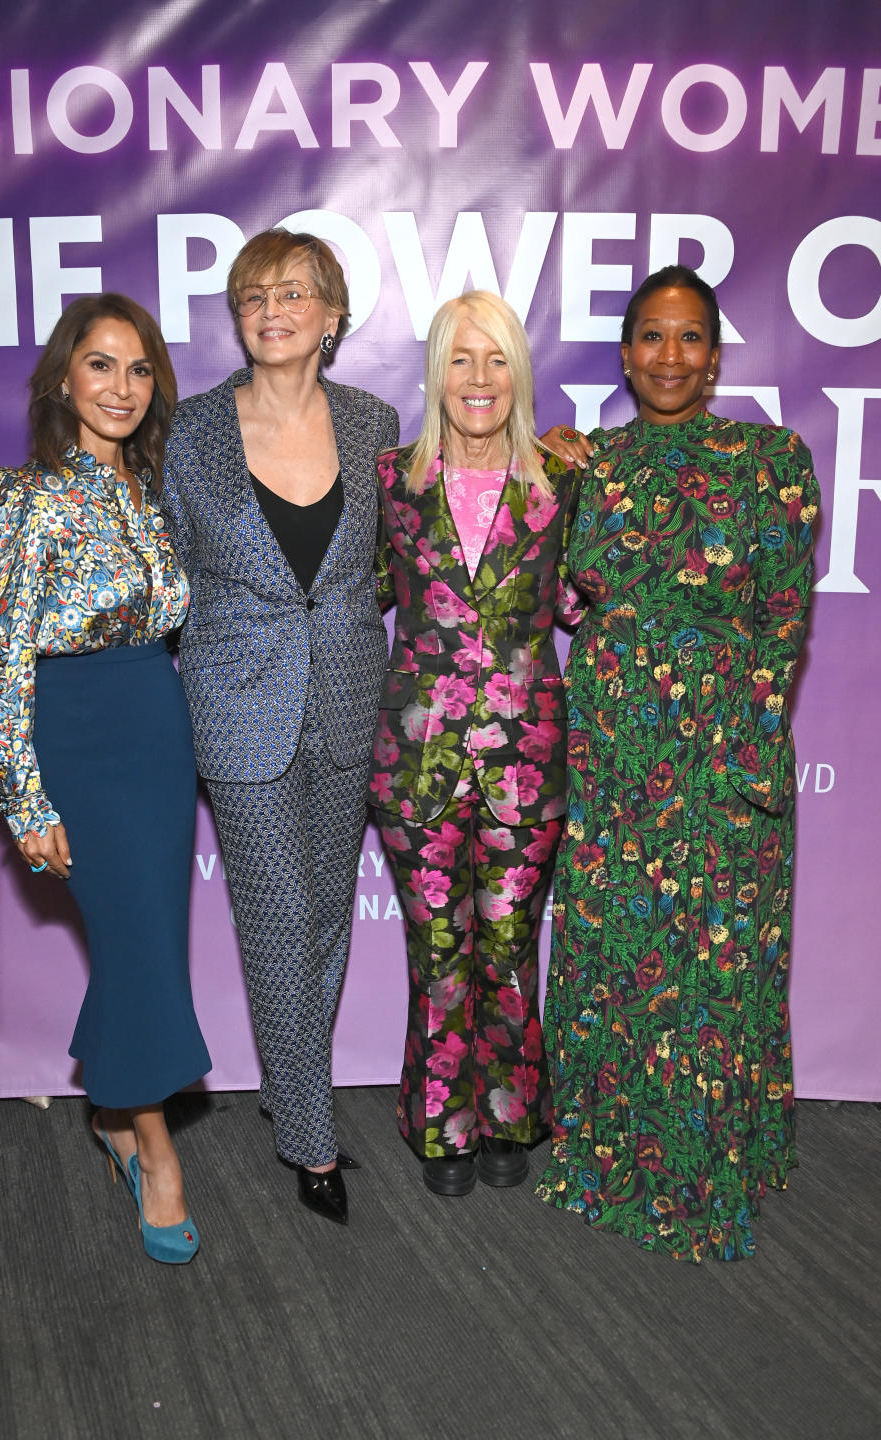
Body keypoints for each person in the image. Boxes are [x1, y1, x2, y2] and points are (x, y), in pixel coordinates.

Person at [536, 265, 819, 1261]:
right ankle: (605, 1153)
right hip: (613, 745)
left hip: (719, 752)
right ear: (623, 353)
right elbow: (556, 604)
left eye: (689, 337)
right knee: (612, 950)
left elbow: (785, 618)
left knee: (712, 960)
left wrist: (752, 743)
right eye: (650, 336)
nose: (668, 356)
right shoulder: (584, 463)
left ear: (714, 352)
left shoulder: (770, 459)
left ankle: (711, 1161)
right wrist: (546, 475)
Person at [0, 294, 211, 1264]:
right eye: (101, 365)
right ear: (66, 377)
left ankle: (111, 1110)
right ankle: (152, 1149)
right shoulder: (15, 499)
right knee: (140, 947)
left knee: (147, 946)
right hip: (75, 736)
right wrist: (26, 795)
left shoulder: (149, 495)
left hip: (156, 726)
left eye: (140, 370)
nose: (122, 387)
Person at [162, 229, 399, 1226]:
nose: (272, 308)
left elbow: (393, 561)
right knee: (274, 918)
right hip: (237, 702)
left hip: (347, 695)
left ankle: (290, 1084)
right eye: (254, 293)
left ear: (332, 316)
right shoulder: (193, 431)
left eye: (294, 292)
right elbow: (166, 567)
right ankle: (308, 1136)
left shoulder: (374, 420)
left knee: (327, 918)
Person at [371, 291, 581, 1196]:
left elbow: (581, 601)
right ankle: (441, 1124)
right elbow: (352, 592)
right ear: (436, 374)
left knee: (506, 942)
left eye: (497, 360)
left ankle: (509, 1115)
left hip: (525, 765)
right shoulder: (389, 480)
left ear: (519, 375)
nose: (480, 380)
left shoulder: (563, 480)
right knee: (439, 951)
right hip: (415, 761)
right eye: (461, 359)